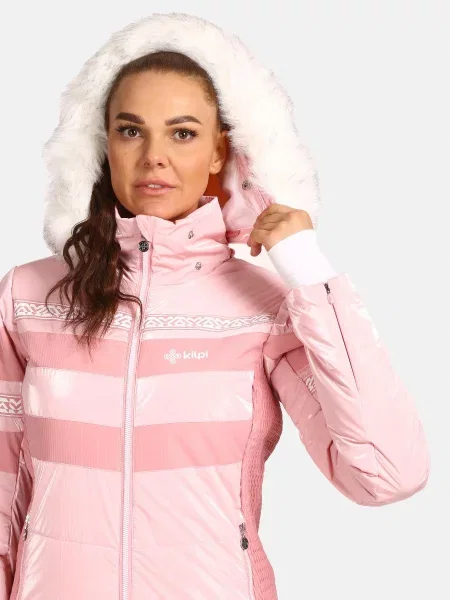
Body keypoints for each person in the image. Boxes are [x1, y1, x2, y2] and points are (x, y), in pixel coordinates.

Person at [0, 12, 429, 600]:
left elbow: (387, 474)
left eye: (182, 133)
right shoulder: (28, 298)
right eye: (131, 131)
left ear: (218, 152)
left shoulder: (266, 307)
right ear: (103, 147)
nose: (154, 156)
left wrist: (308, 270)